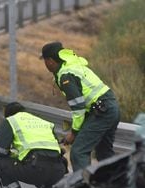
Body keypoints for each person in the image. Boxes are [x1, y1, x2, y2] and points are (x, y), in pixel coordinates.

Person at [40, 41, 120, 171]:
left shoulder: (65, 76)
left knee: (78, 152)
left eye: (44, 60)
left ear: (49, 61)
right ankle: (117, 187)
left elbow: (79, 108)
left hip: (102, 111)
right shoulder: (72, 66)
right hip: (109, 107)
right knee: (104, 153)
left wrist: (74, 132)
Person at [0, 102, 67, 188]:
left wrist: (16, 155)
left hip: (36, 169)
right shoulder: (44, 122)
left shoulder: (11, 121)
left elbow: (1, 151)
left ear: (8, 114)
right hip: (59, 170)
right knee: (45, 165)